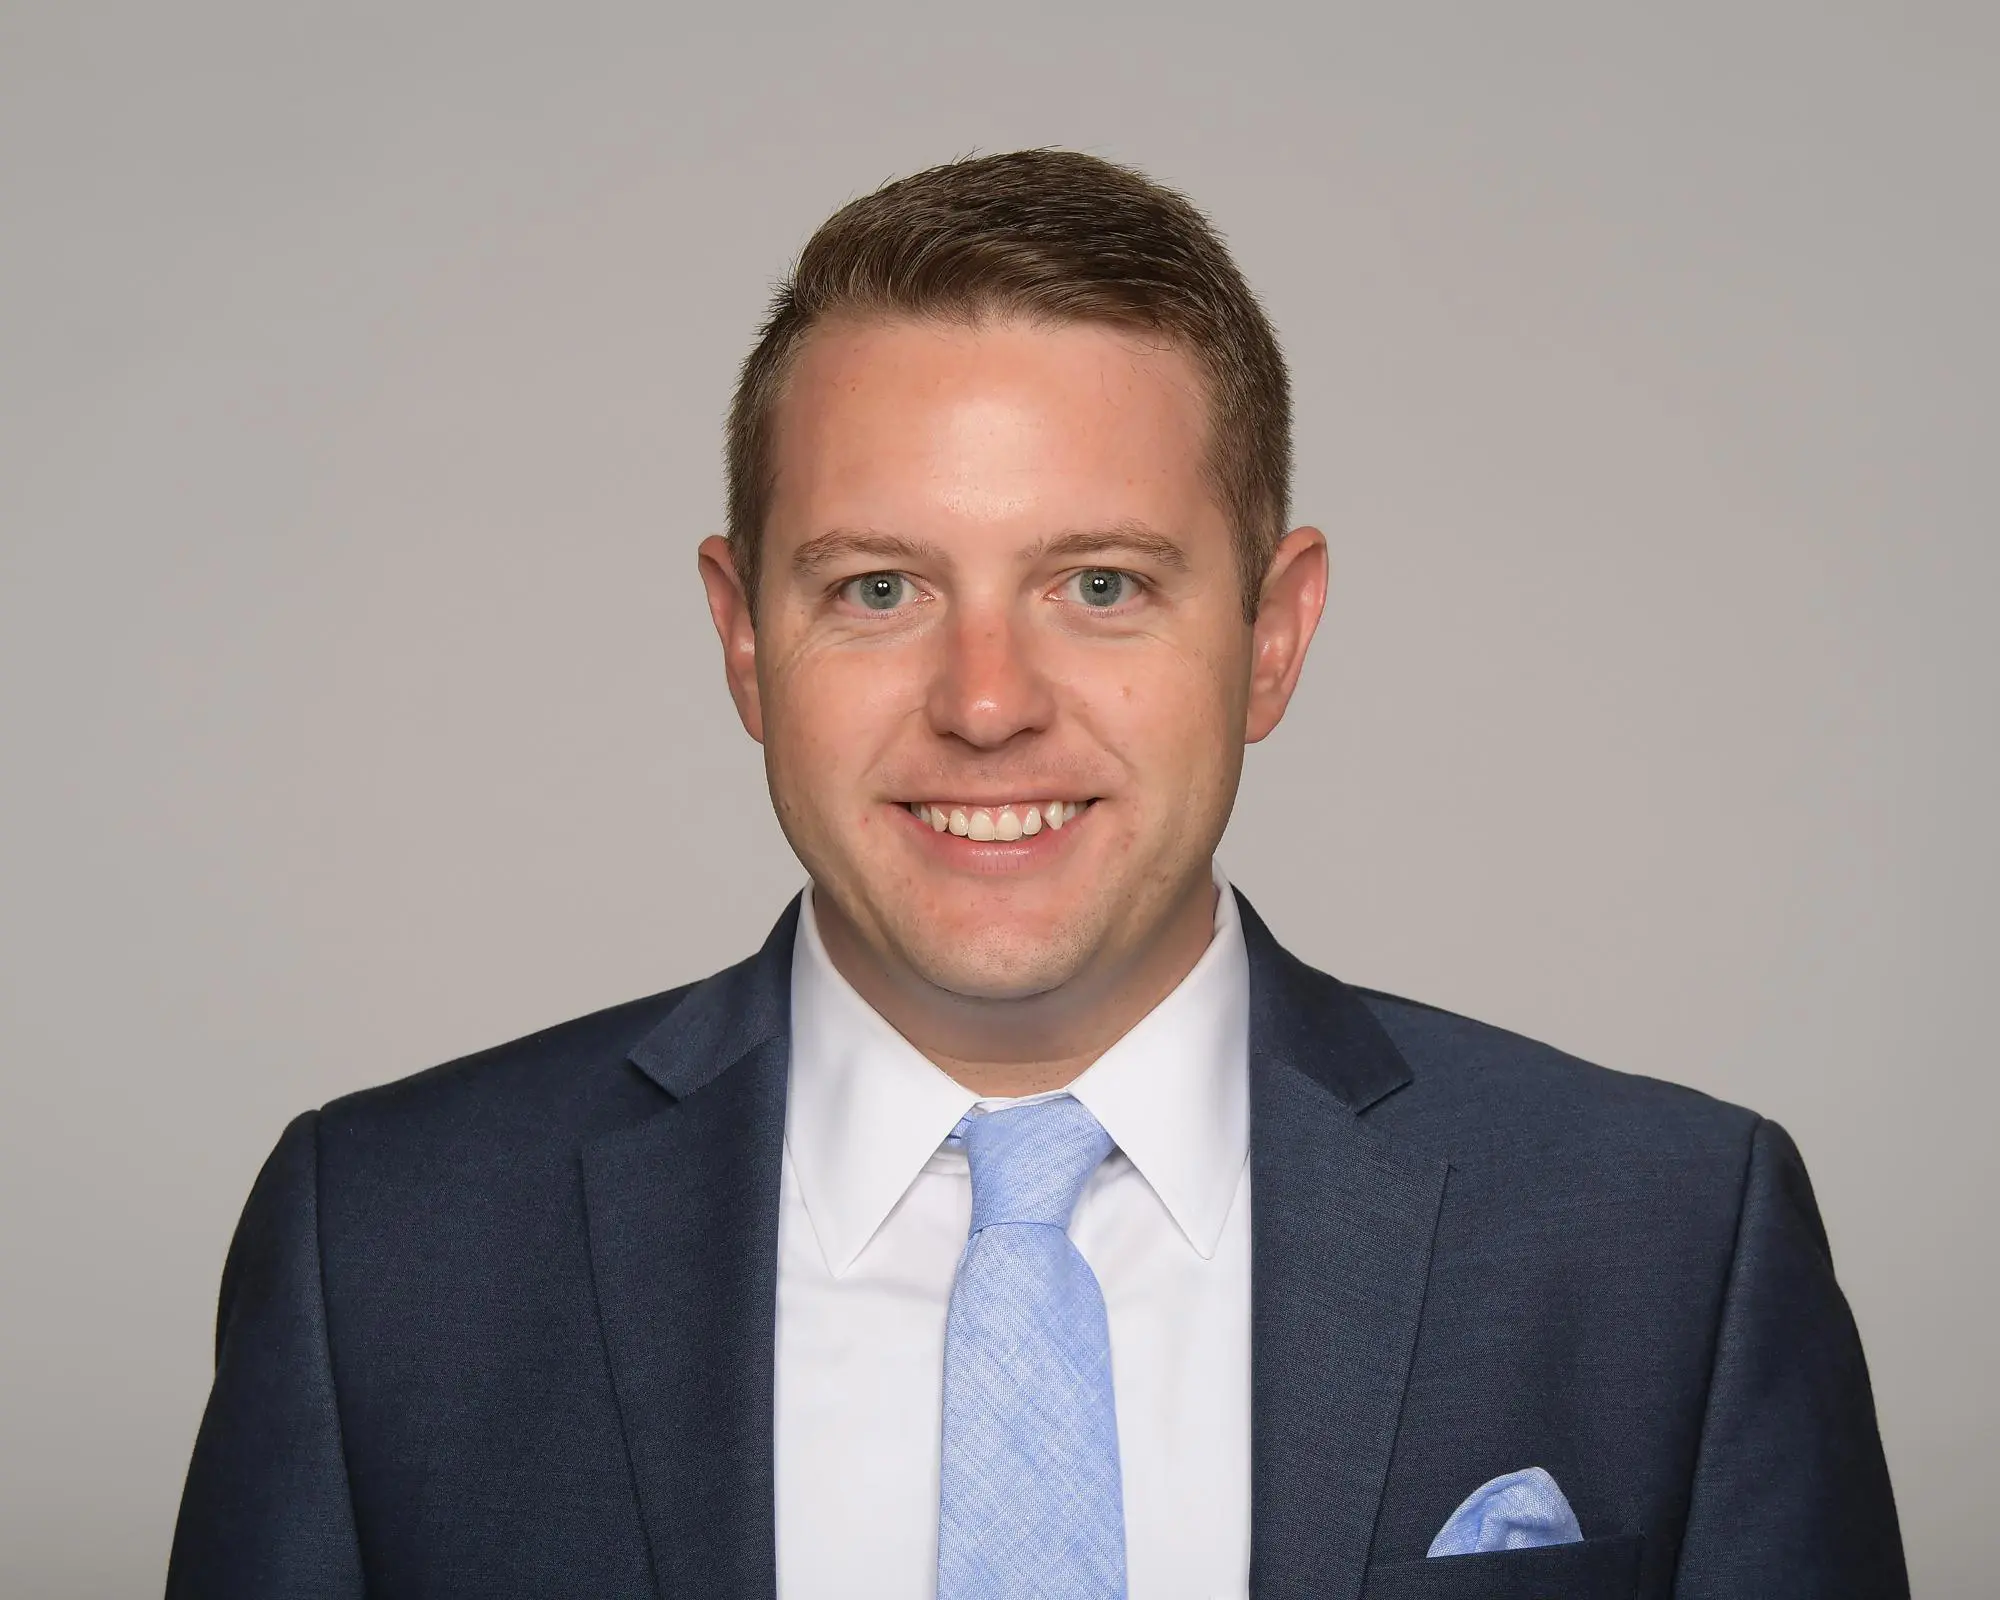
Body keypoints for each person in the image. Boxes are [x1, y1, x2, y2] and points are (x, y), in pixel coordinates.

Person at [166, 150, 1906, 1600]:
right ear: (743, 641)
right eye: (876, 589)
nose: (986, 705)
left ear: (1274, 636)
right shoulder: (384, 1252)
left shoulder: (1670, 1242)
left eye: (1098, 585)